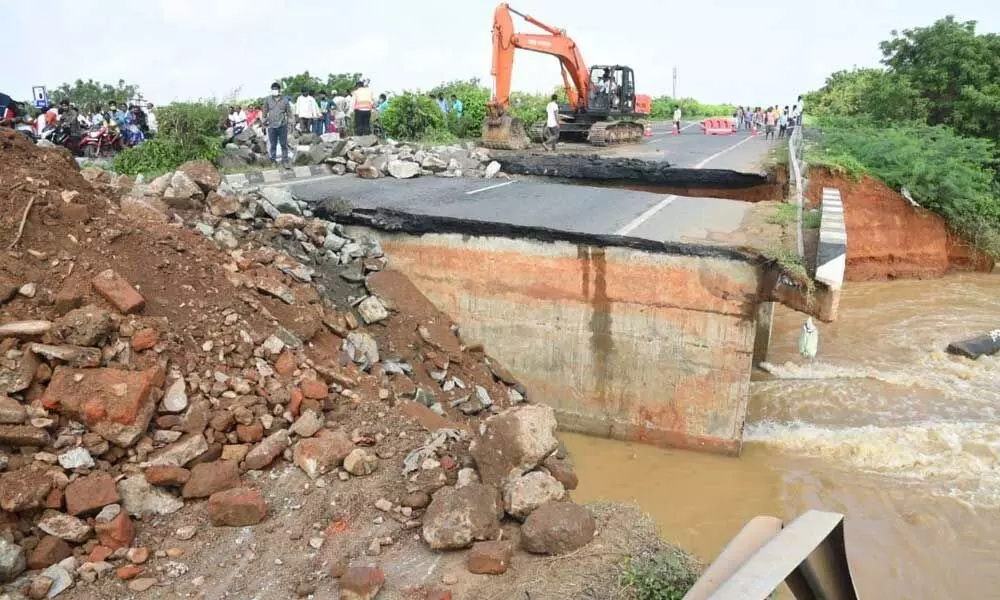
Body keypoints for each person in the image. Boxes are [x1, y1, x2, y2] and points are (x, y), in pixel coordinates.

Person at [263, 81, 294, 166]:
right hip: (271, 125)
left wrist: (291, 122)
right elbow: (264, 112)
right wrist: (263, 123)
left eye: (275, 89)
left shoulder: (285, 101)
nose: (274, 91)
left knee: (283, 144)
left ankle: (285, 161)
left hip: (282, 125)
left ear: (279, 90)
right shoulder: (267, 100)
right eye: (272, 89)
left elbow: (289, 112)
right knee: (273, 144)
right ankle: (273, 160)